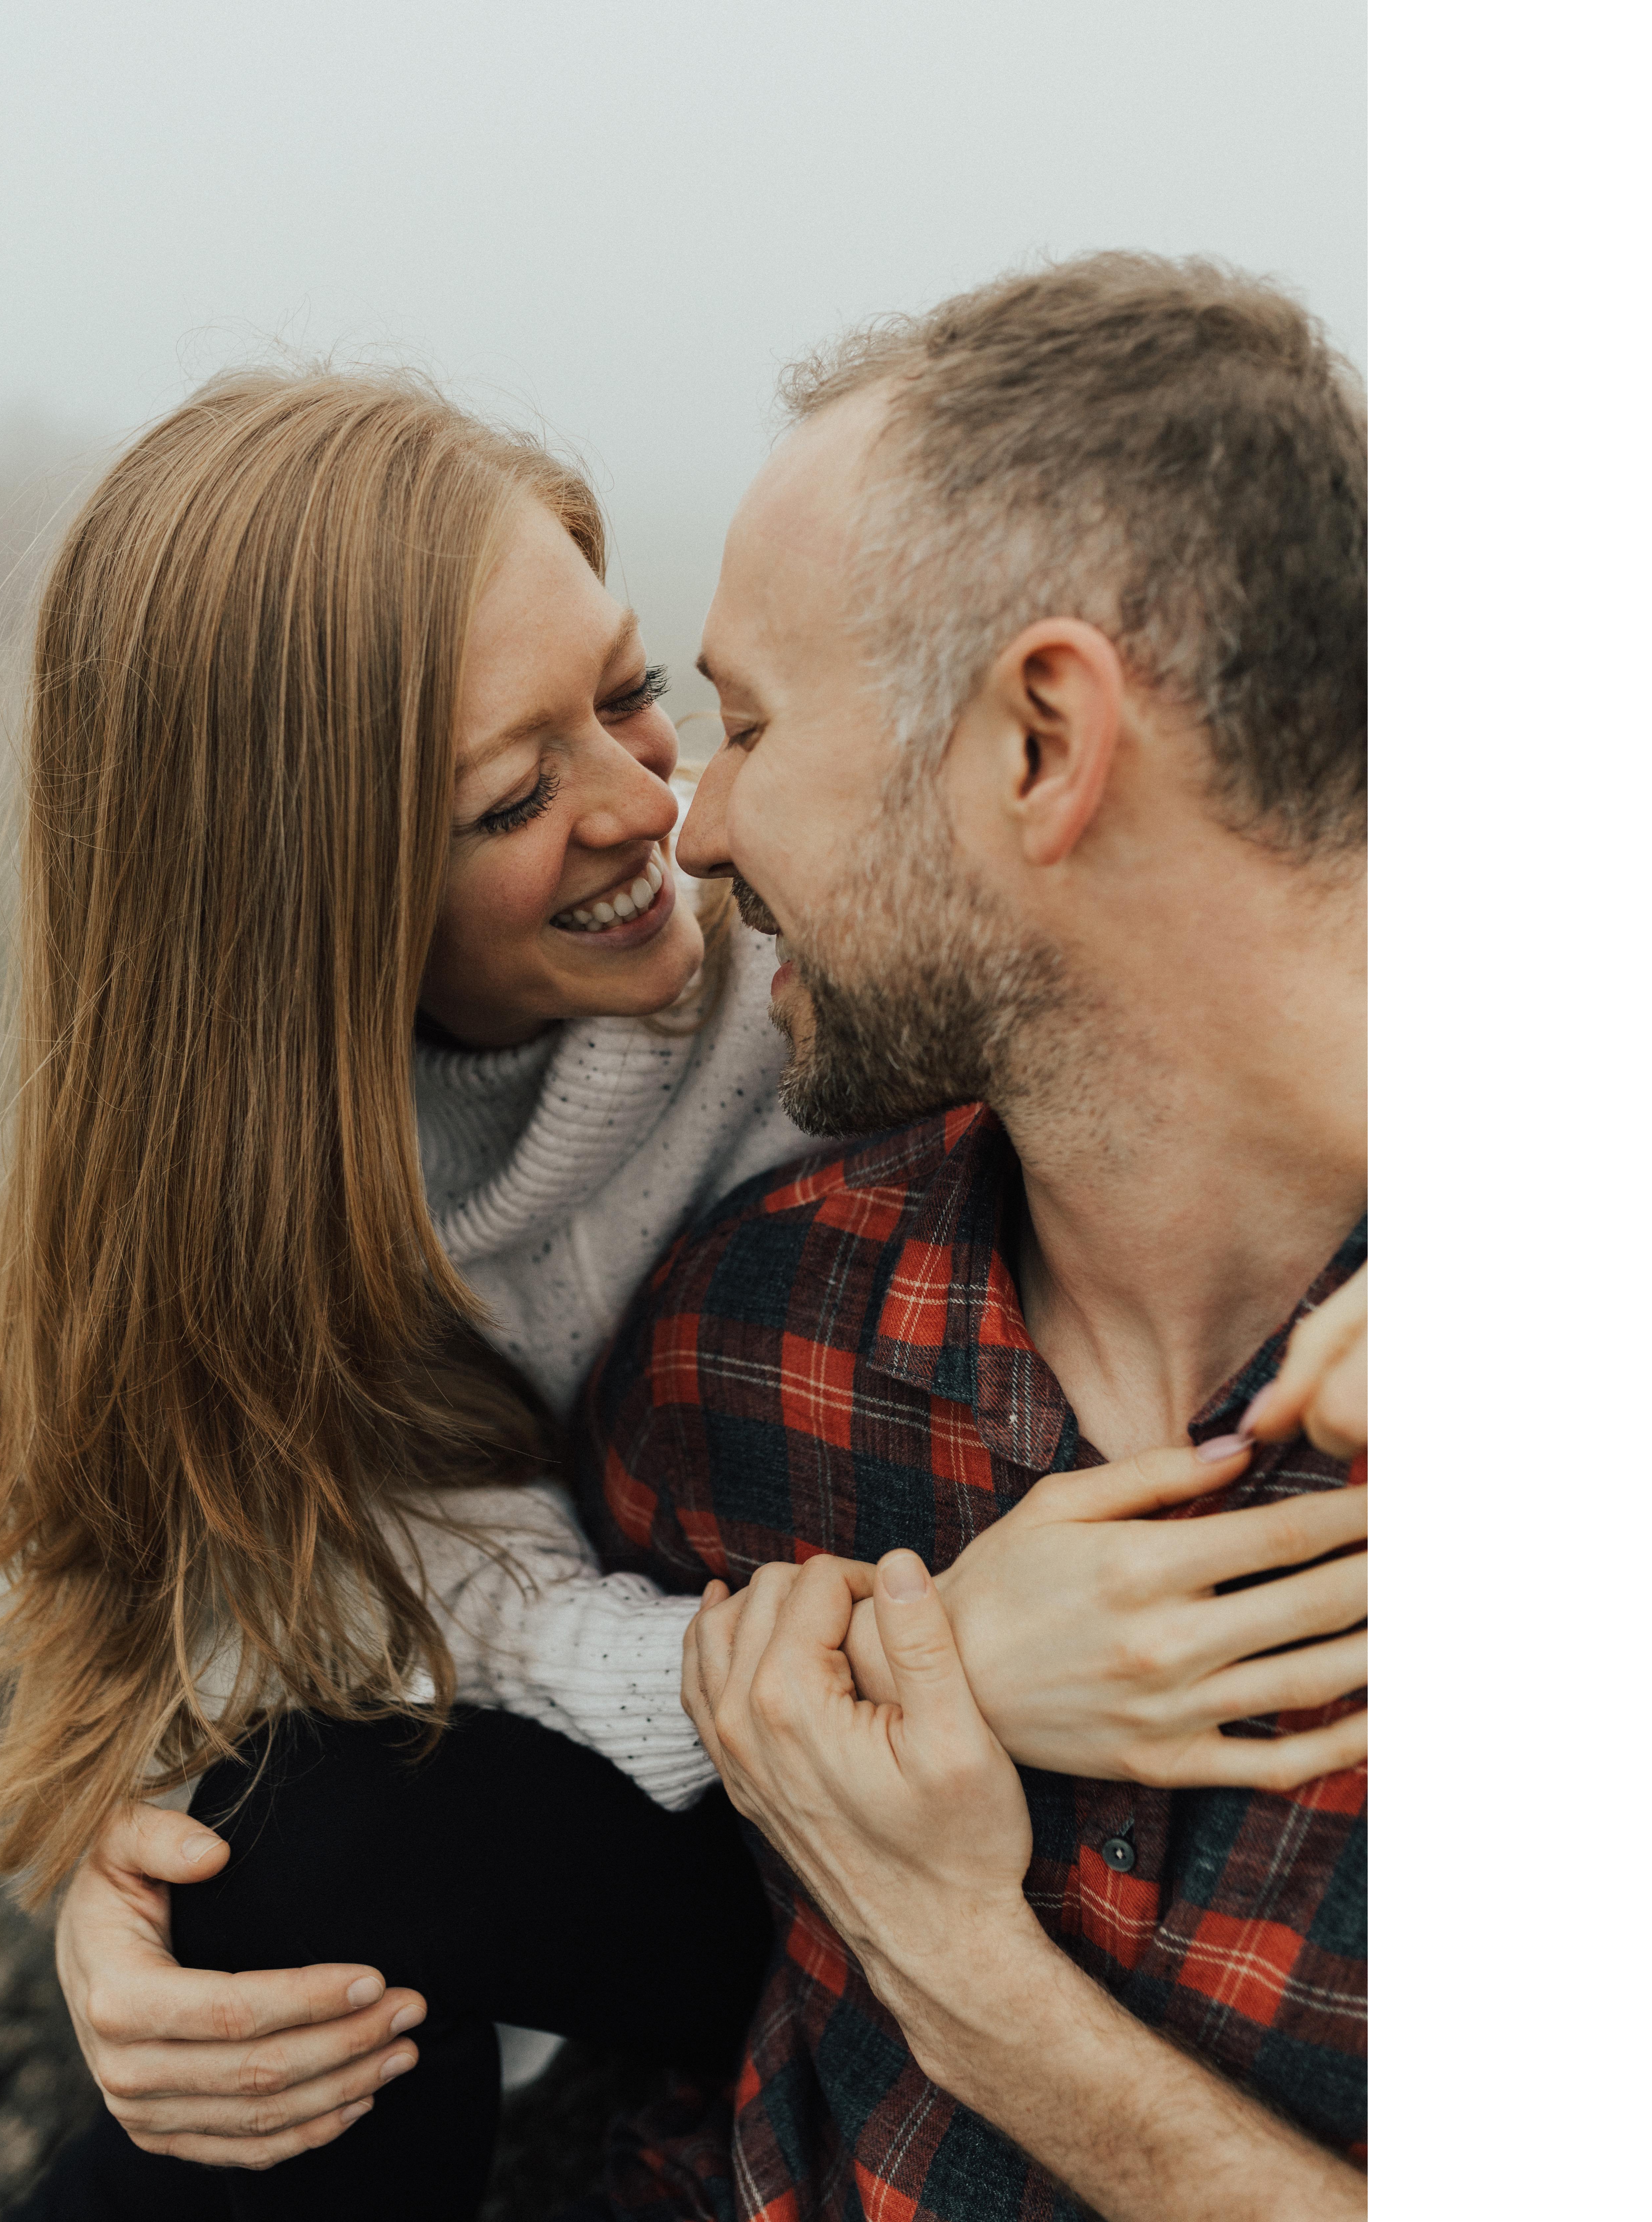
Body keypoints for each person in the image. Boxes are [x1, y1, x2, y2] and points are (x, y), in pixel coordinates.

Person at [0, 324, 1369, 2219]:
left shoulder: (825, 999)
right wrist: (143, 1909)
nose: (668, 818)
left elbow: (1247, 879)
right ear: (309, 906)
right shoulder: (457, 1262)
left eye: (652, 702)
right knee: (272, 1879)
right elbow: (342, 1649)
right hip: (703, 1790)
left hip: (780, 1763)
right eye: (501, 804)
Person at [581, 252, 1370, 2219]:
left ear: (1041, 744)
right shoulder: (747, 1351)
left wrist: (964, 1977)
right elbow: (444, 1715)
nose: (697, 826)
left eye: (751, 726)